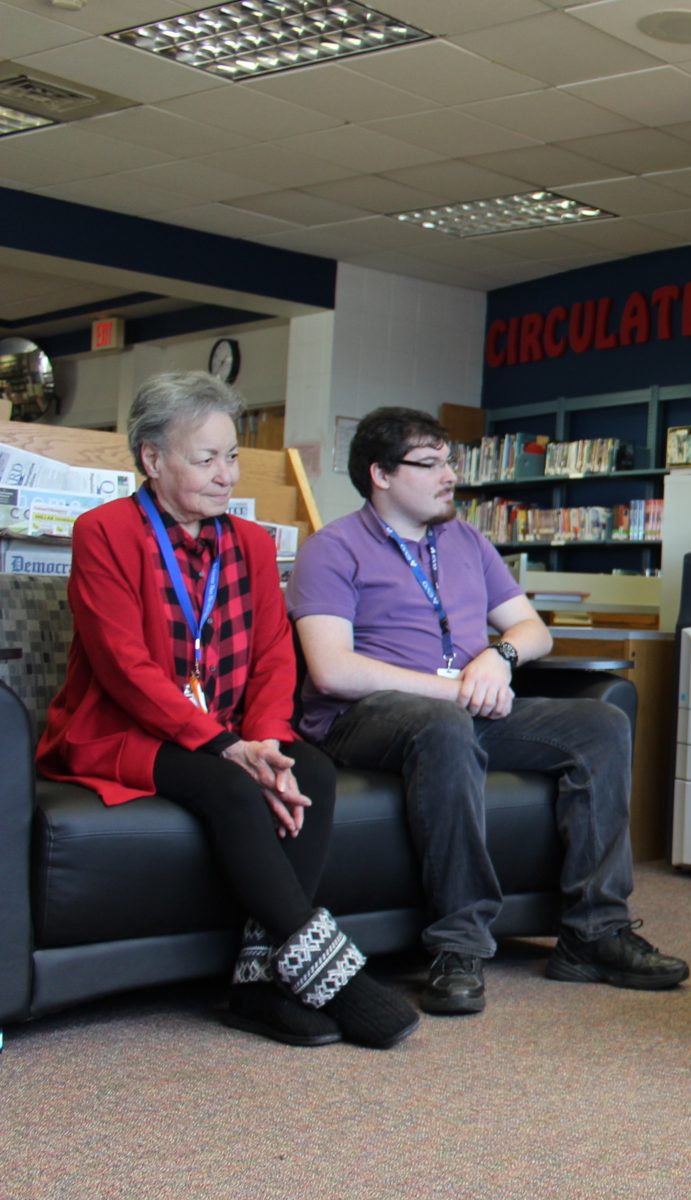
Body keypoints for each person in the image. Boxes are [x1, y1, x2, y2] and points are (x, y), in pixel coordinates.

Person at [36, 372, 418, 1049]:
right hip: (126, 729)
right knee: (235, 791)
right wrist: (223, 747)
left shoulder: (250, 542)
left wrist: (266, 740)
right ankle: (333, 975)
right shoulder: (103, 533)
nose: (225, 474)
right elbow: (124, 667)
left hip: (234, 730)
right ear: (153, 460)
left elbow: (275, 655)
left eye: (232, 456)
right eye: (205, 458)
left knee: (312, 773)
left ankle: (257, 986)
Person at [290, 407, 687, 1017]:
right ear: (381, 475)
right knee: (445, 724)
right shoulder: (333, 549)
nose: (450, 476)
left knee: (601, 724)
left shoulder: (468, 541)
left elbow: (534, 631)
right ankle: (458, 945)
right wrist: (450, 690)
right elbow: (332, 669)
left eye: (450, 461)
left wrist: (497, 659)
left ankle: (593, 933)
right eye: (431, 464)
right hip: (365, 717)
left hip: (469, 707)